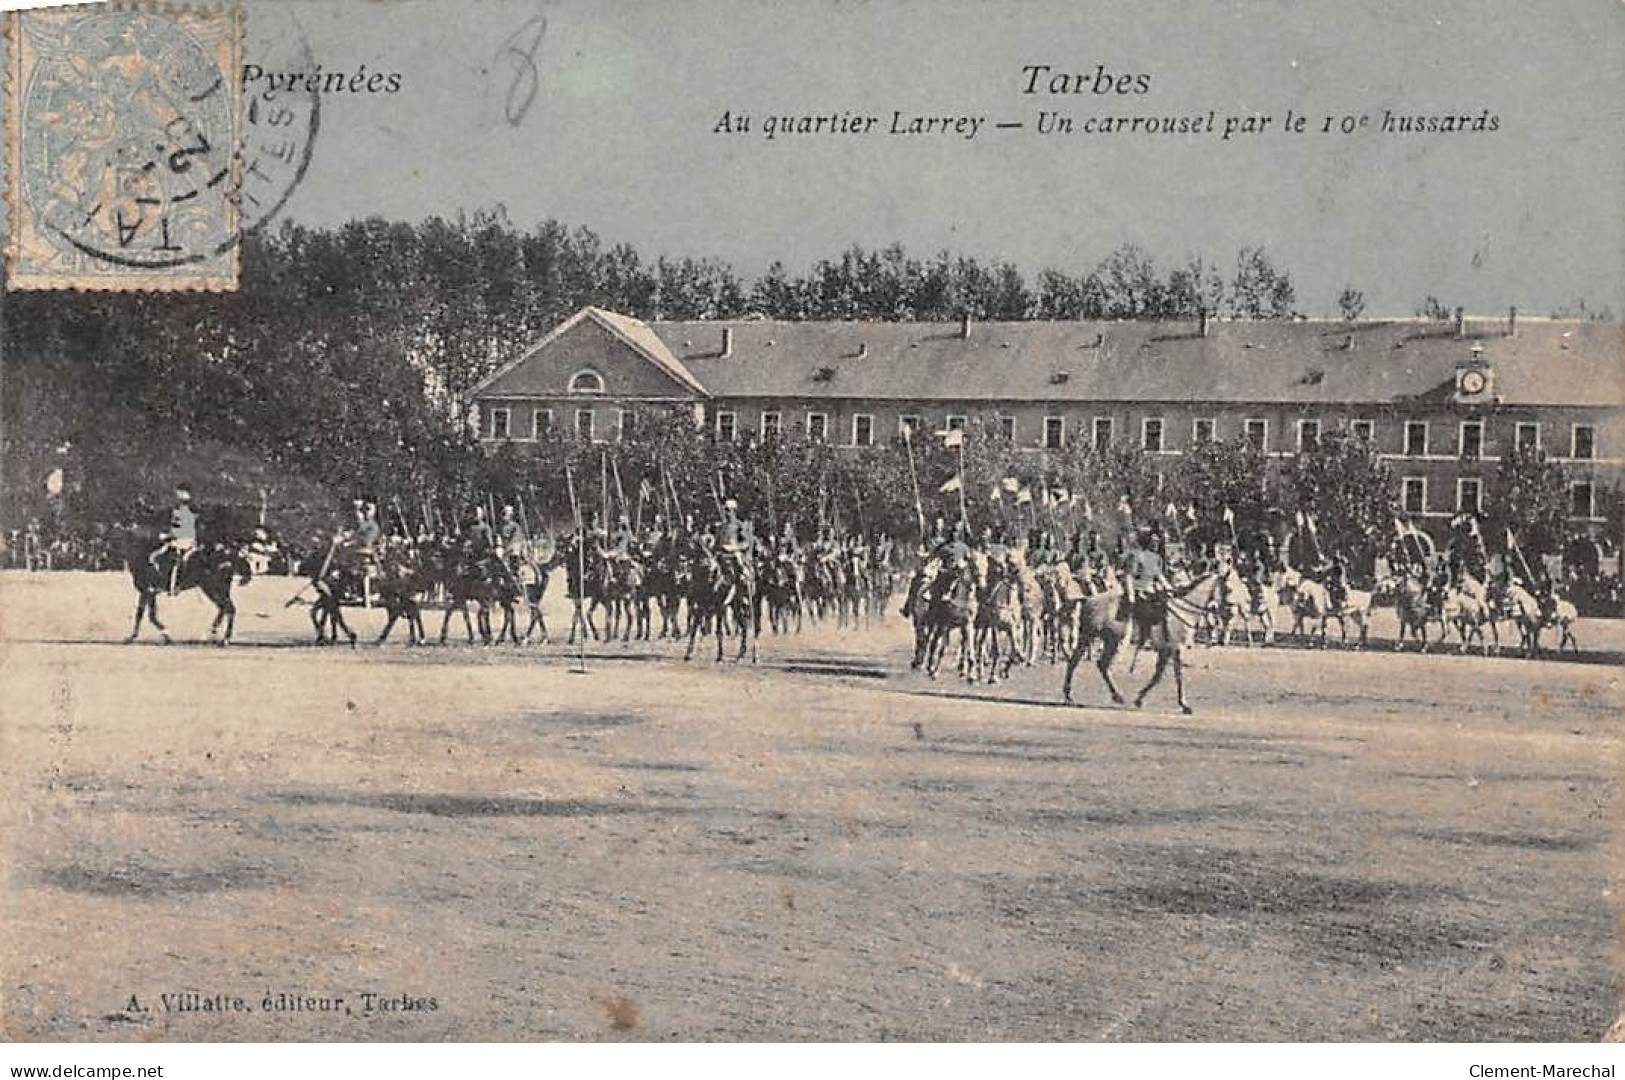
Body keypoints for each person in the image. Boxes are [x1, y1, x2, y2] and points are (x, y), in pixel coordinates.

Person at [149, 483, 199, 594]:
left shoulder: (189, 508)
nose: (178, 495)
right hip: (180, 539)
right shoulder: (181, 507)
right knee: (156, 555)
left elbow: (185, 528)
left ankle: (172, 584)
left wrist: (167, 535)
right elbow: (176, 525)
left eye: (181, 492)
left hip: (185, 540)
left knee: (162, 557)